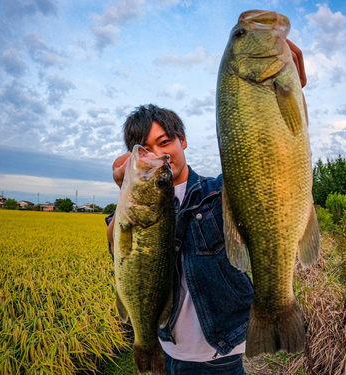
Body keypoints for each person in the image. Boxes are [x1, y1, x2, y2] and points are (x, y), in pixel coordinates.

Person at [106, 40, 307, 375]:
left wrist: (283, 100)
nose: (159, 155)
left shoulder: (218, 192)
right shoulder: (131, 208)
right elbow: (119, 246)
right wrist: (126, 189)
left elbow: (266, 173)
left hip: (223, 351)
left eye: (166, 142)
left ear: (183, 141)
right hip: (169, 348)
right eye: (147, 149)